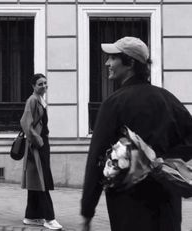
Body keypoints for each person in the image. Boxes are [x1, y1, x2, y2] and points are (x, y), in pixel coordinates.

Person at [81, 36, 192, 231]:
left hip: (128, 207)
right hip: (167, 206)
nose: (107, 63)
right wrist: (163, 163)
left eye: (113, 58)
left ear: (130, 63)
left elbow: (96, 160)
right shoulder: (167, 99)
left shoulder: (113, 104)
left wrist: (88, 209)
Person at [20, 73, 62, 230]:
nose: (44, 86)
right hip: (36, 146)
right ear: (33, 86)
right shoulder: (32, 100)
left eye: (45, 83)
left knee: (36, 180)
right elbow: (25, 123)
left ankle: (31, 216)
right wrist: (38, 140)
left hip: (41, 145)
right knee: (42, 181)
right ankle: (49, 219)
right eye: (40, 84)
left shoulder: (40, 100)